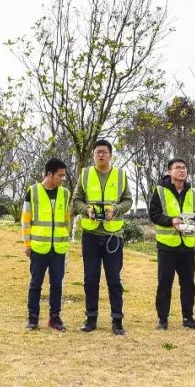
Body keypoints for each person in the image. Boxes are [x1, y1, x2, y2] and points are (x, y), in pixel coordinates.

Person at [71, 139, 132, 335]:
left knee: (114, 280)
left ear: (111, 154)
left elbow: (128, 200)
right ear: (93, 155)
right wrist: (85, 209)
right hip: (90, 235)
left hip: (113, 235)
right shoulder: (85, 174)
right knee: (90, 279)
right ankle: (90, 318)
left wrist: (116, 209)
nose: (100, 155)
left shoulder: (121, 175)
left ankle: (117, 320)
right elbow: (76, 199)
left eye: (104, 152)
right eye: (97, 152)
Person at [148, 158, 195, 331]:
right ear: (169, 171)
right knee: (165, 283)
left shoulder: (193, 192)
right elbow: (154, 214)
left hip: (187, 245)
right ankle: (162, 319)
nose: (182, 171)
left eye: (184, 168)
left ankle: (188, 318)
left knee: (188, 284)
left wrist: (193, 222)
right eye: (177, 168)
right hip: (167, 245)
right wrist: (171, 221)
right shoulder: (160, 191)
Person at [21, 157, 71, 331]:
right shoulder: (32, 191)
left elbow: (66, 220)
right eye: (60, 175)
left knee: (57, 284)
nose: (62, 179)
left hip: (58, 248)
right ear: (49, 174)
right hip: (39, 247)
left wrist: (67, 239)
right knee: (36, 284)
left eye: (63, 175)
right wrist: (27, 244)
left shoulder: (65, 193)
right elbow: (26, 220)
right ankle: (32, 318)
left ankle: (55, 318)